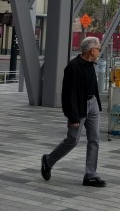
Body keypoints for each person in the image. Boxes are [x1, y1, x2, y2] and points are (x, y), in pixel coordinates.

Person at [41, 36, 106, 187]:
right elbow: (68, 94)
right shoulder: (73, 66)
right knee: (72, 140)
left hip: (93, 105)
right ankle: (48, 160)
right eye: (99, 49)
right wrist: (73, 116)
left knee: (94, 139)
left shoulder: (91, 64)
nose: (99, 52)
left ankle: (90, 174)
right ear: (92, 50)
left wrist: (96, 104)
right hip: (79, 107)